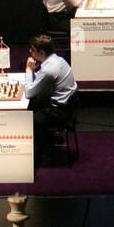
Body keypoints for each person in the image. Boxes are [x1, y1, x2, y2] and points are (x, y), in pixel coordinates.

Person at [24, 34, 78, 166]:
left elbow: (29, 93)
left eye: (32, 50)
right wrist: (34, 73)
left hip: (58, 112)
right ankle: (46, 141)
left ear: (41, 52)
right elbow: (41, 79)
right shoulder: (59, 60)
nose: (30, 52)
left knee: (25, 118)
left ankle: (41, 152)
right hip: (67, 105)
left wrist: (28, 70)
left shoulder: (49, 69)